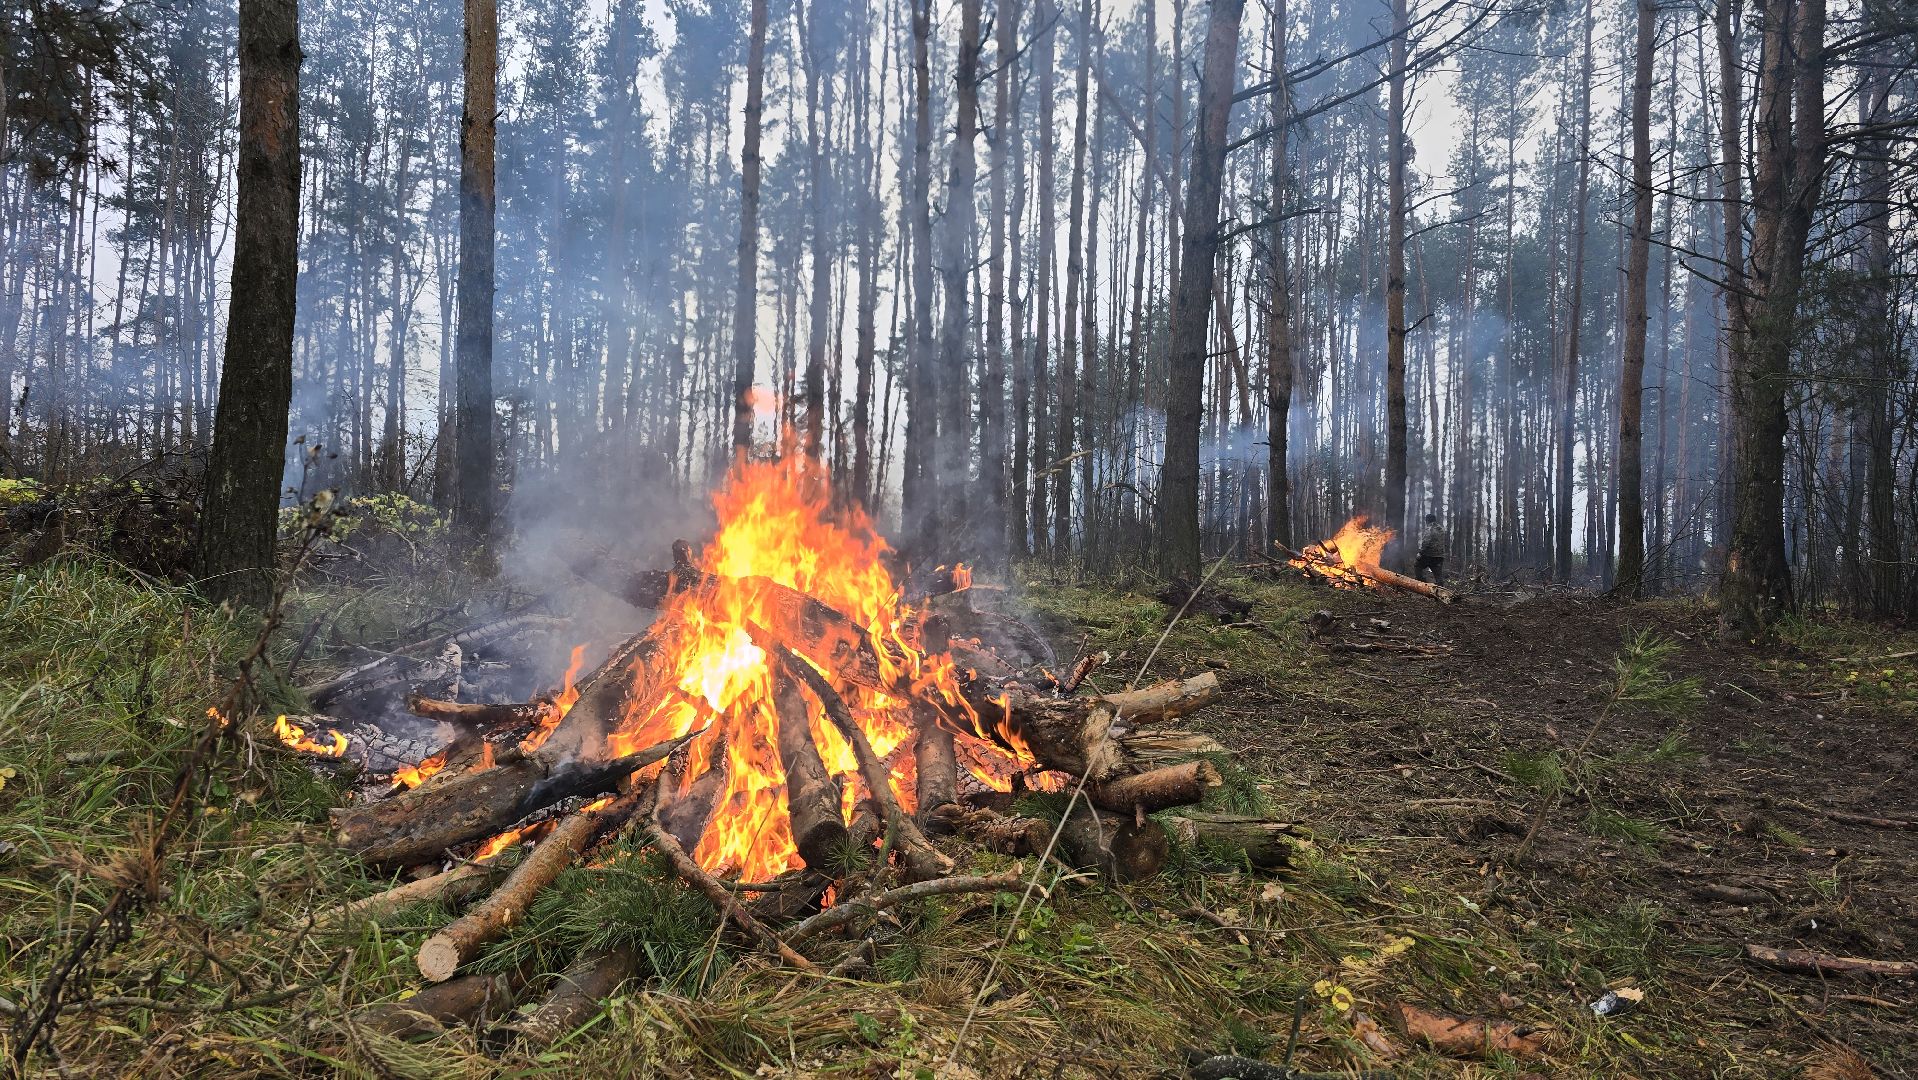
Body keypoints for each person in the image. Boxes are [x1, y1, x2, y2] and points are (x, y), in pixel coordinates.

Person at [1414, 514, 1446, 586]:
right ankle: (1441, 590)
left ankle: (1422, 583)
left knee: (1417, 566)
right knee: (1438, 575)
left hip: (1428, 555)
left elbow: (1426, 542)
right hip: (1440, 556)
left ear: (1427, 520)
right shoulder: (1441, 529)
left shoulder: (1429, 528)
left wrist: (1420, 553)